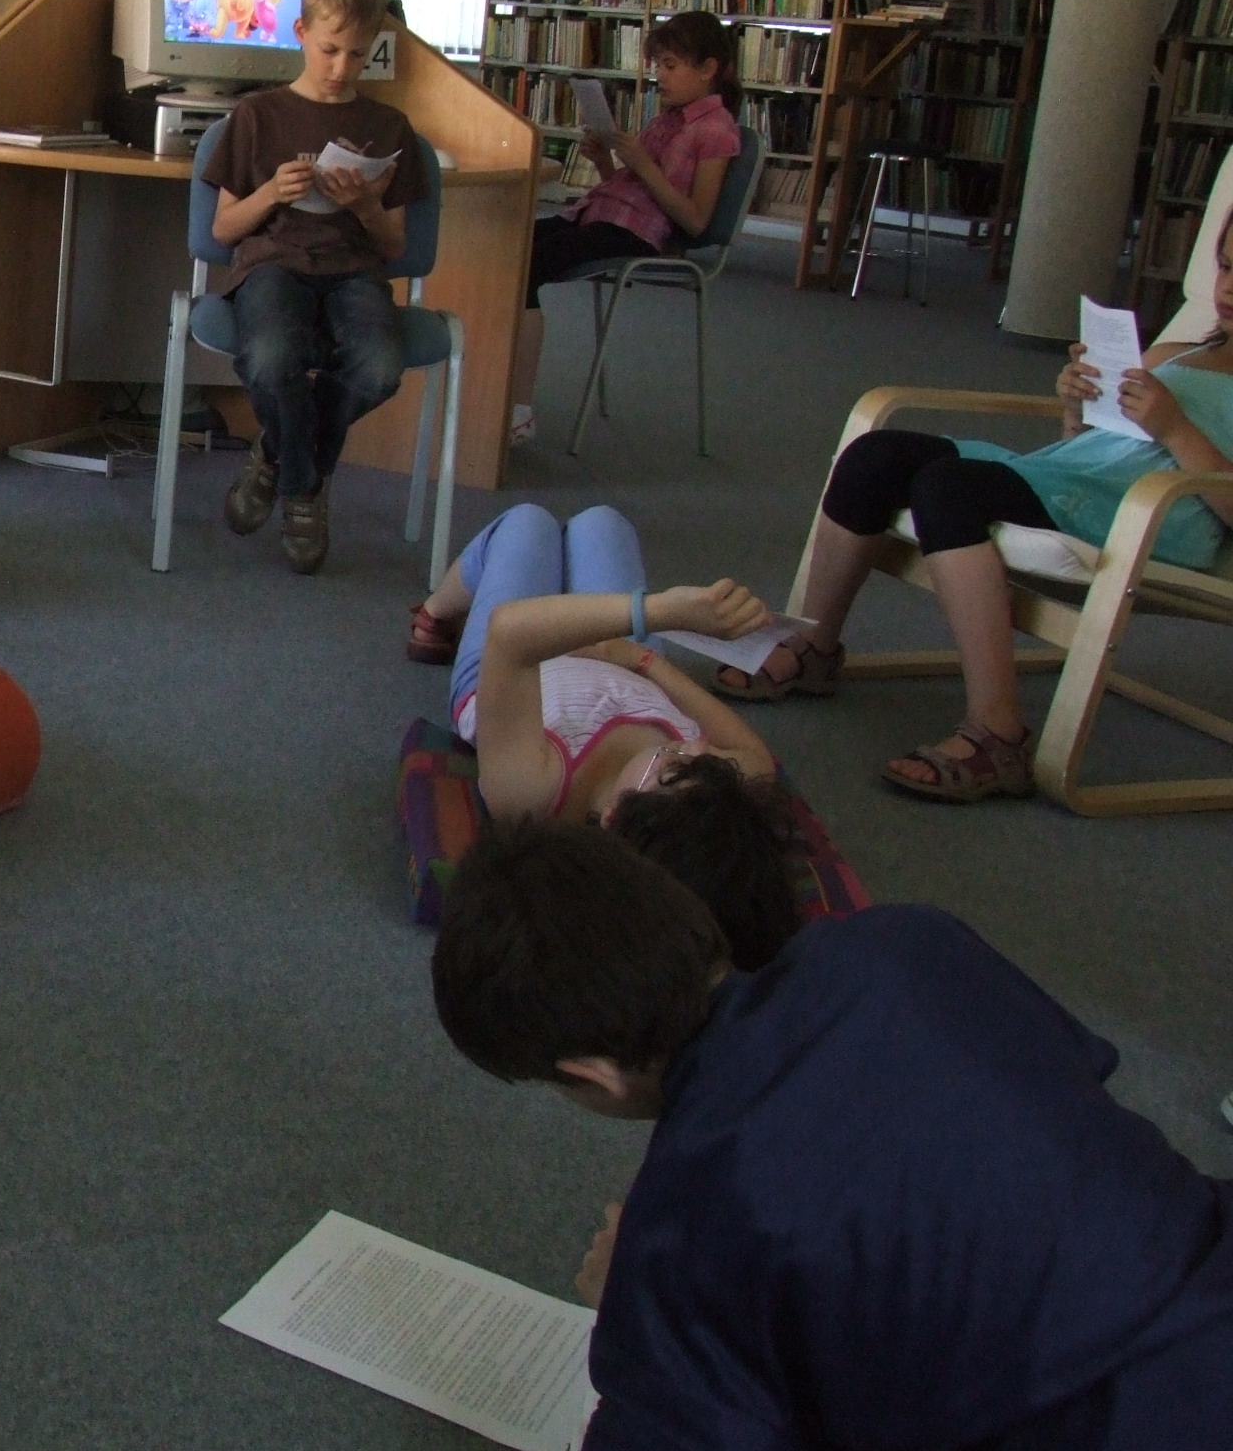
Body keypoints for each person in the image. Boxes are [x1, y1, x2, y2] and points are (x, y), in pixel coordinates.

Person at [430, 818, 1233, 1449]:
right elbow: (1074, 1078)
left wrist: (628, 1313)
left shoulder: (685, 1226)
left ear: (592, 1072)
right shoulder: (905, 940)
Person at [720, 213, 1233, 802]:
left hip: (1147, 518)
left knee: (949, 487)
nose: (1228, 288)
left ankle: (998, 734)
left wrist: (1174, 428)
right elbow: (1093, 448)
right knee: (874, 455)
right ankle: (814, 645)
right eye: (1225, 267)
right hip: (1069, 481)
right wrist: (1077, 407)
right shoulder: (1173, 354)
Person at [409, 505, 798, 949]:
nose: (696, 749)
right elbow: (757, 758)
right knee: (602, 523)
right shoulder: (704, 797)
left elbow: (510, 634)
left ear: (613, 813)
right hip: (623, 660)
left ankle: (436, 611)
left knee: (528, 525)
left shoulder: (535, 791)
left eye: (674, 763)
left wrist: (660, 612)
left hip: (515, 666)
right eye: (707, 760)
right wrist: (644, 661)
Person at [200, 0, 429, 573]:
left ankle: (276, 458)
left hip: (353, 270)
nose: (340, 68)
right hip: (273, 263)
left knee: (379, 368)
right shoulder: (258, 115)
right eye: (329, 50)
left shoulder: (388, 126)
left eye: (357, 55)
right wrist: (272, 193)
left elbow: (394, 246)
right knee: (271, 357)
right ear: (300, 32)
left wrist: (364, 204)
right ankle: (305, 491)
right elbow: (223, 230)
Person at [510, 10, 742, 447]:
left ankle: (519, 409)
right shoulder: (666, 120)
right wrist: (605, 161)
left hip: (638, 237)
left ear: (708, 69)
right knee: (507, 244)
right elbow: (628, 193)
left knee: (525, 266)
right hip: (602, 217)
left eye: (670, 66)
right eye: (658, 65)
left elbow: (695, 221)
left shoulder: (716, 131)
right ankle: (495, 386)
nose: (659, 76)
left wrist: (643, 165)